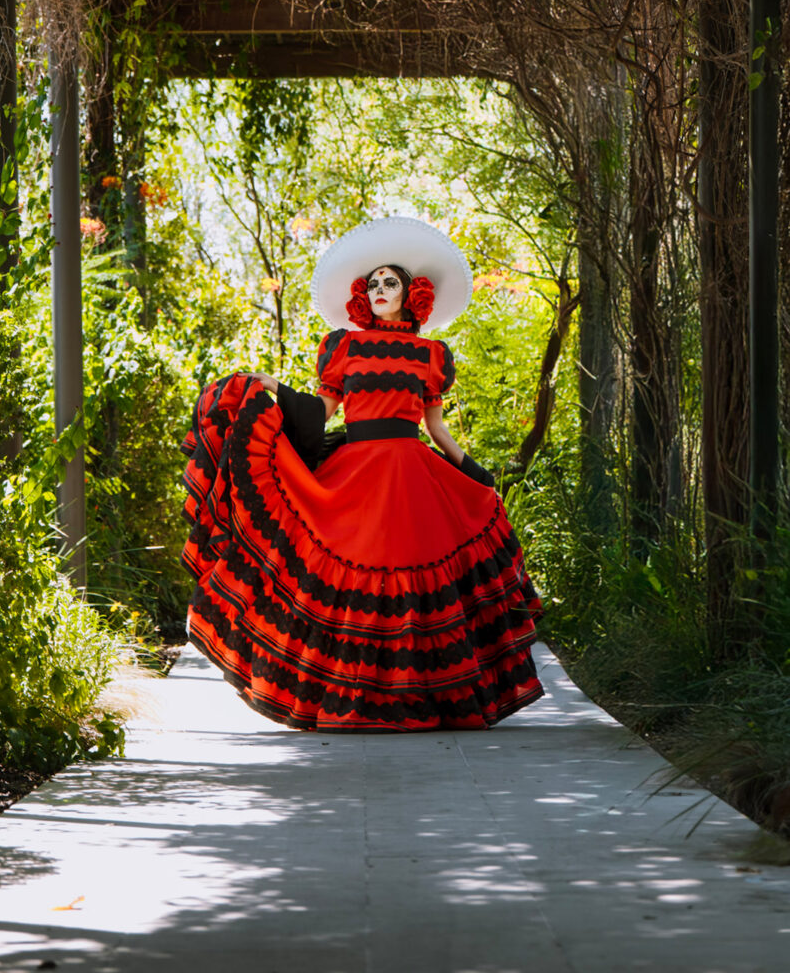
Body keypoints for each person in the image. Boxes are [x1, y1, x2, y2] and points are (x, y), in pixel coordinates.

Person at [181, 216, 544, 731]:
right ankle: (354, 700)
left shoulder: (431, 355)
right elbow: (321, 414)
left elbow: (437, 430)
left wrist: (477, 475)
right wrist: (275, 390)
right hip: (355, 475)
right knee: (345, 569)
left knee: (415, 582)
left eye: (389, 283)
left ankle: (422, 699)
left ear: (411, 293)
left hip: (413, 476)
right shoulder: (343, 348)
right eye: (372, 284)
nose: (379, 291)